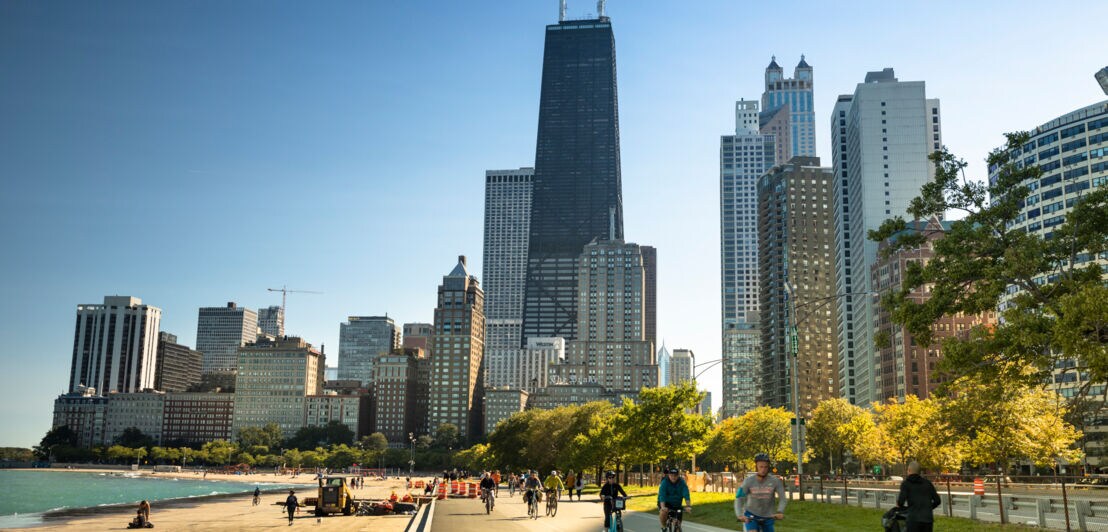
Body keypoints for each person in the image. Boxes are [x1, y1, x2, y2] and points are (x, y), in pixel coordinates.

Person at [735, 453, 786, 531]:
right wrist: (739, 515)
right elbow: (739, 498)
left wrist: (780, 511)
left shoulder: (775, 481)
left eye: (765, 467)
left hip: (768, 516)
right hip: (751, 516)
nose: (763, 469)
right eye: (761, 467)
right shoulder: (748, 481)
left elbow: (783, 498)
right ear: (756, 467)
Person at [896, 461, 941, 532]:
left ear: (909, 470)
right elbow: (937, 501)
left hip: (913, 519)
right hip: (927, 519)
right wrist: (928, 508)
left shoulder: (906, 484)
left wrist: (908, 509)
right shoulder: (928, 483)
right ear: (919, 472)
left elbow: (900, 503)